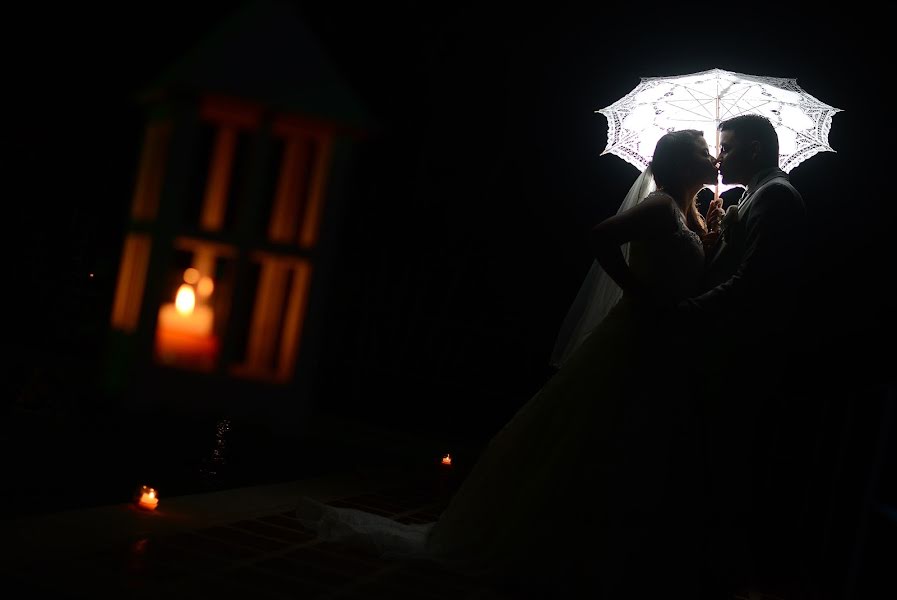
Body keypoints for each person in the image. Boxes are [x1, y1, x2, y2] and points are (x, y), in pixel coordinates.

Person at [295, 129, 722, 597]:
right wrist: (635, 290)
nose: (714, 156)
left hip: (663, 345)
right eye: (704, 151)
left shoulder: (692, 214)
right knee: (594, 435)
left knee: (628, 443)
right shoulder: (661, 206)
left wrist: (712, 235)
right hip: (634, 337)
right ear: (681, 162)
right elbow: (601, 236)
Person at [677, 114, 810, 594]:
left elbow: (755, 284)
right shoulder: (756, 194)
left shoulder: (775, 196)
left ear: (755, 150)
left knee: (728, 464)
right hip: (730, 348)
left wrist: (688, 309)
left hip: (743, 355)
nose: (718, 157)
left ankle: (730, 578)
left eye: (727, 148)